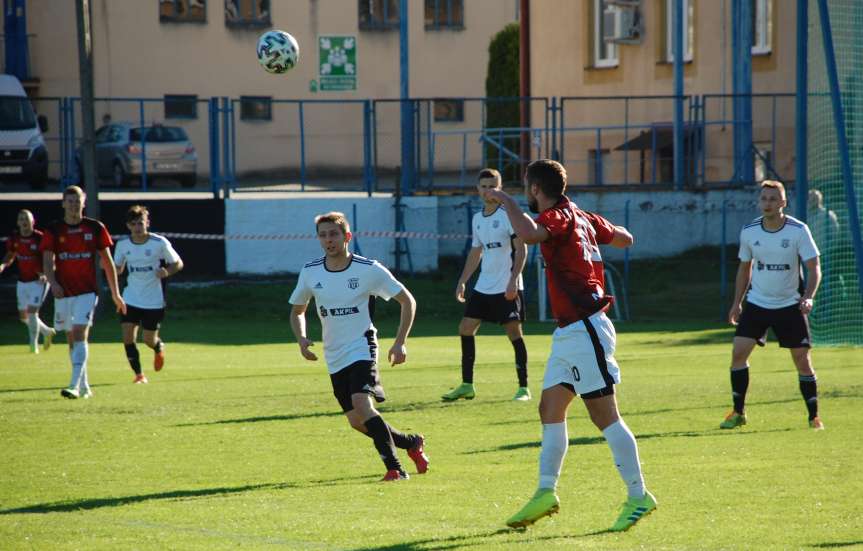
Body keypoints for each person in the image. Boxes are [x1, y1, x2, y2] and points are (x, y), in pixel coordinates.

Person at [483, 159, 656, 532]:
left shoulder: (558, 216)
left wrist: (505, 202)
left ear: (534, 189)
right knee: (550, 407)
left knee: (604, 415)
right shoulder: (581, 215)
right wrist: (596, 234)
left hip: (586, 326)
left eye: (525, 189)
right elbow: (626, 239)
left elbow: (529, 235)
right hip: (569, 333)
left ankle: (639, 494)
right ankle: (546, 492)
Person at [288, 211, 430, 481]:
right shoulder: (311, 271)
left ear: (347, 237)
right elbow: (297, 310)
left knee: (362, 404)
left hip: (362, 346)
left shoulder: (368, 269)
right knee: (357, 421)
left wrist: (400, 343)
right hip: (334, 353)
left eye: (334, 234)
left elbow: (407, 301)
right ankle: (411, 442)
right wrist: (302, 339)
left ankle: (395, 469)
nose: (328, 240)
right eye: (323, 235)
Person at [723, 180, 823, 430]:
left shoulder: (798, 230)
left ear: (783, 203)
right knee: (738, 354)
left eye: (773, 199)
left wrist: (808, 295)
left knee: (802, 360)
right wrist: (737, 303)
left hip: (790, 305)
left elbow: (814, 267)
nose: (767, 203)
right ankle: (738, 413)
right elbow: (744, 269)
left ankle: (813, 416)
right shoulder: (750, 231)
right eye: (764, 199)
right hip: (757, 303)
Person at [442, 168, 530, 402]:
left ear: (500, 189)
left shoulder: (508, 214)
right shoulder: (478, 218)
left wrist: (513, 280)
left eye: (493, 186)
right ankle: (467, 385)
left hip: (507, 285)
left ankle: (524, 388)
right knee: (465, 328)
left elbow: (522, 249)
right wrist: (463, 281)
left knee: (514, 333)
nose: (488, 190)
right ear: (478, 189)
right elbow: (476, 252)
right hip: (483, 285)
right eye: (484, 186)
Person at [41, 185, 126, 399]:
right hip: (64, 292)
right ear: (63, 203)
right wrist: (53, 283)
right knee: (71, 338)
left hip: (87, 291)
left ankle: (73, 385)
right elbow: (47, 261)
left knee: (80, 332)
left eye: (77, 200)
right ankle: (85, 385)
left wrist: (116, 294)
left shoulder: (95, 228)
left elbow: (107, 262)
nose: (73, 204)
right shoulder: (53, 230)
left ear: (84, 202)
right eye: (69, 201)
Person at [114, 205, 183, 383]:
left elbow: (178, 263)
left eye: (141, 223)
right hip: (130, 298)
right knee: (128, 337)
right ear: (128, 226)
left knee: (148, 339)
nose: (138, 227)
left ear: (147, 223)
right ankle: (139, 375)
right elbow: (118, 268)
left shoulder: (159, 243)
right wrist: (112, 268)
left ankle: (158, 346)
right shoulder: (122, 245)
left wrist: (166, 272)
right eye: (134, 224)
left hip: (153, 301)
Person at [0, 209, 56, 353]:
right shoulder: (15, 238)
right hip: (22, 281)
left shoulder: (40, 238)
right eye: (21, 219)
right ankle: (46, 332)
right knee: (23, 317)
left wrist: (46, 273)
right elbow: (10, 255)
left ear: (33, 221)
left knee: (32, 313)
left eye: (27, 219)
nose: (24, 222)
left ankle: (33, 346)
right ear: (18, 222)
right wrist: (3, 265)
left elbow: (51, 257)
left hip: (38, 281)